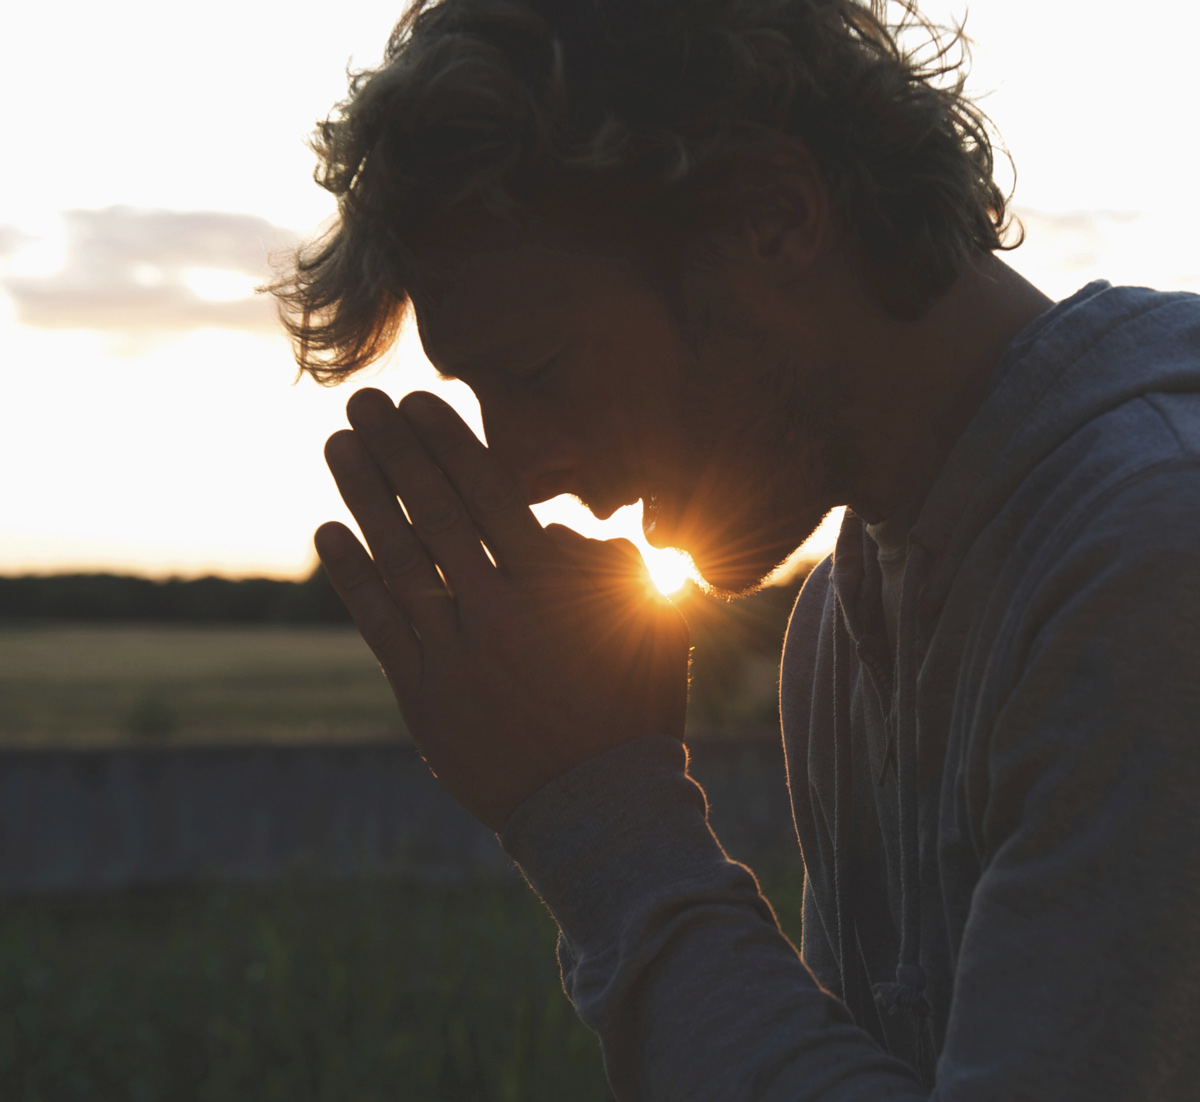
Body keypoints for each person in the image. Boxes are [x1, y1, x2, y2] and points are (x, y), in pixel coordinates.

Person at [273, 0, 1200, 1096]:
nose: (519, 465)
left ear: (774, 217)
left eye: (538, 369)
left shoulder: (1151, 555)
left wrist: (603, 822)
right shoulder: (841, 630)